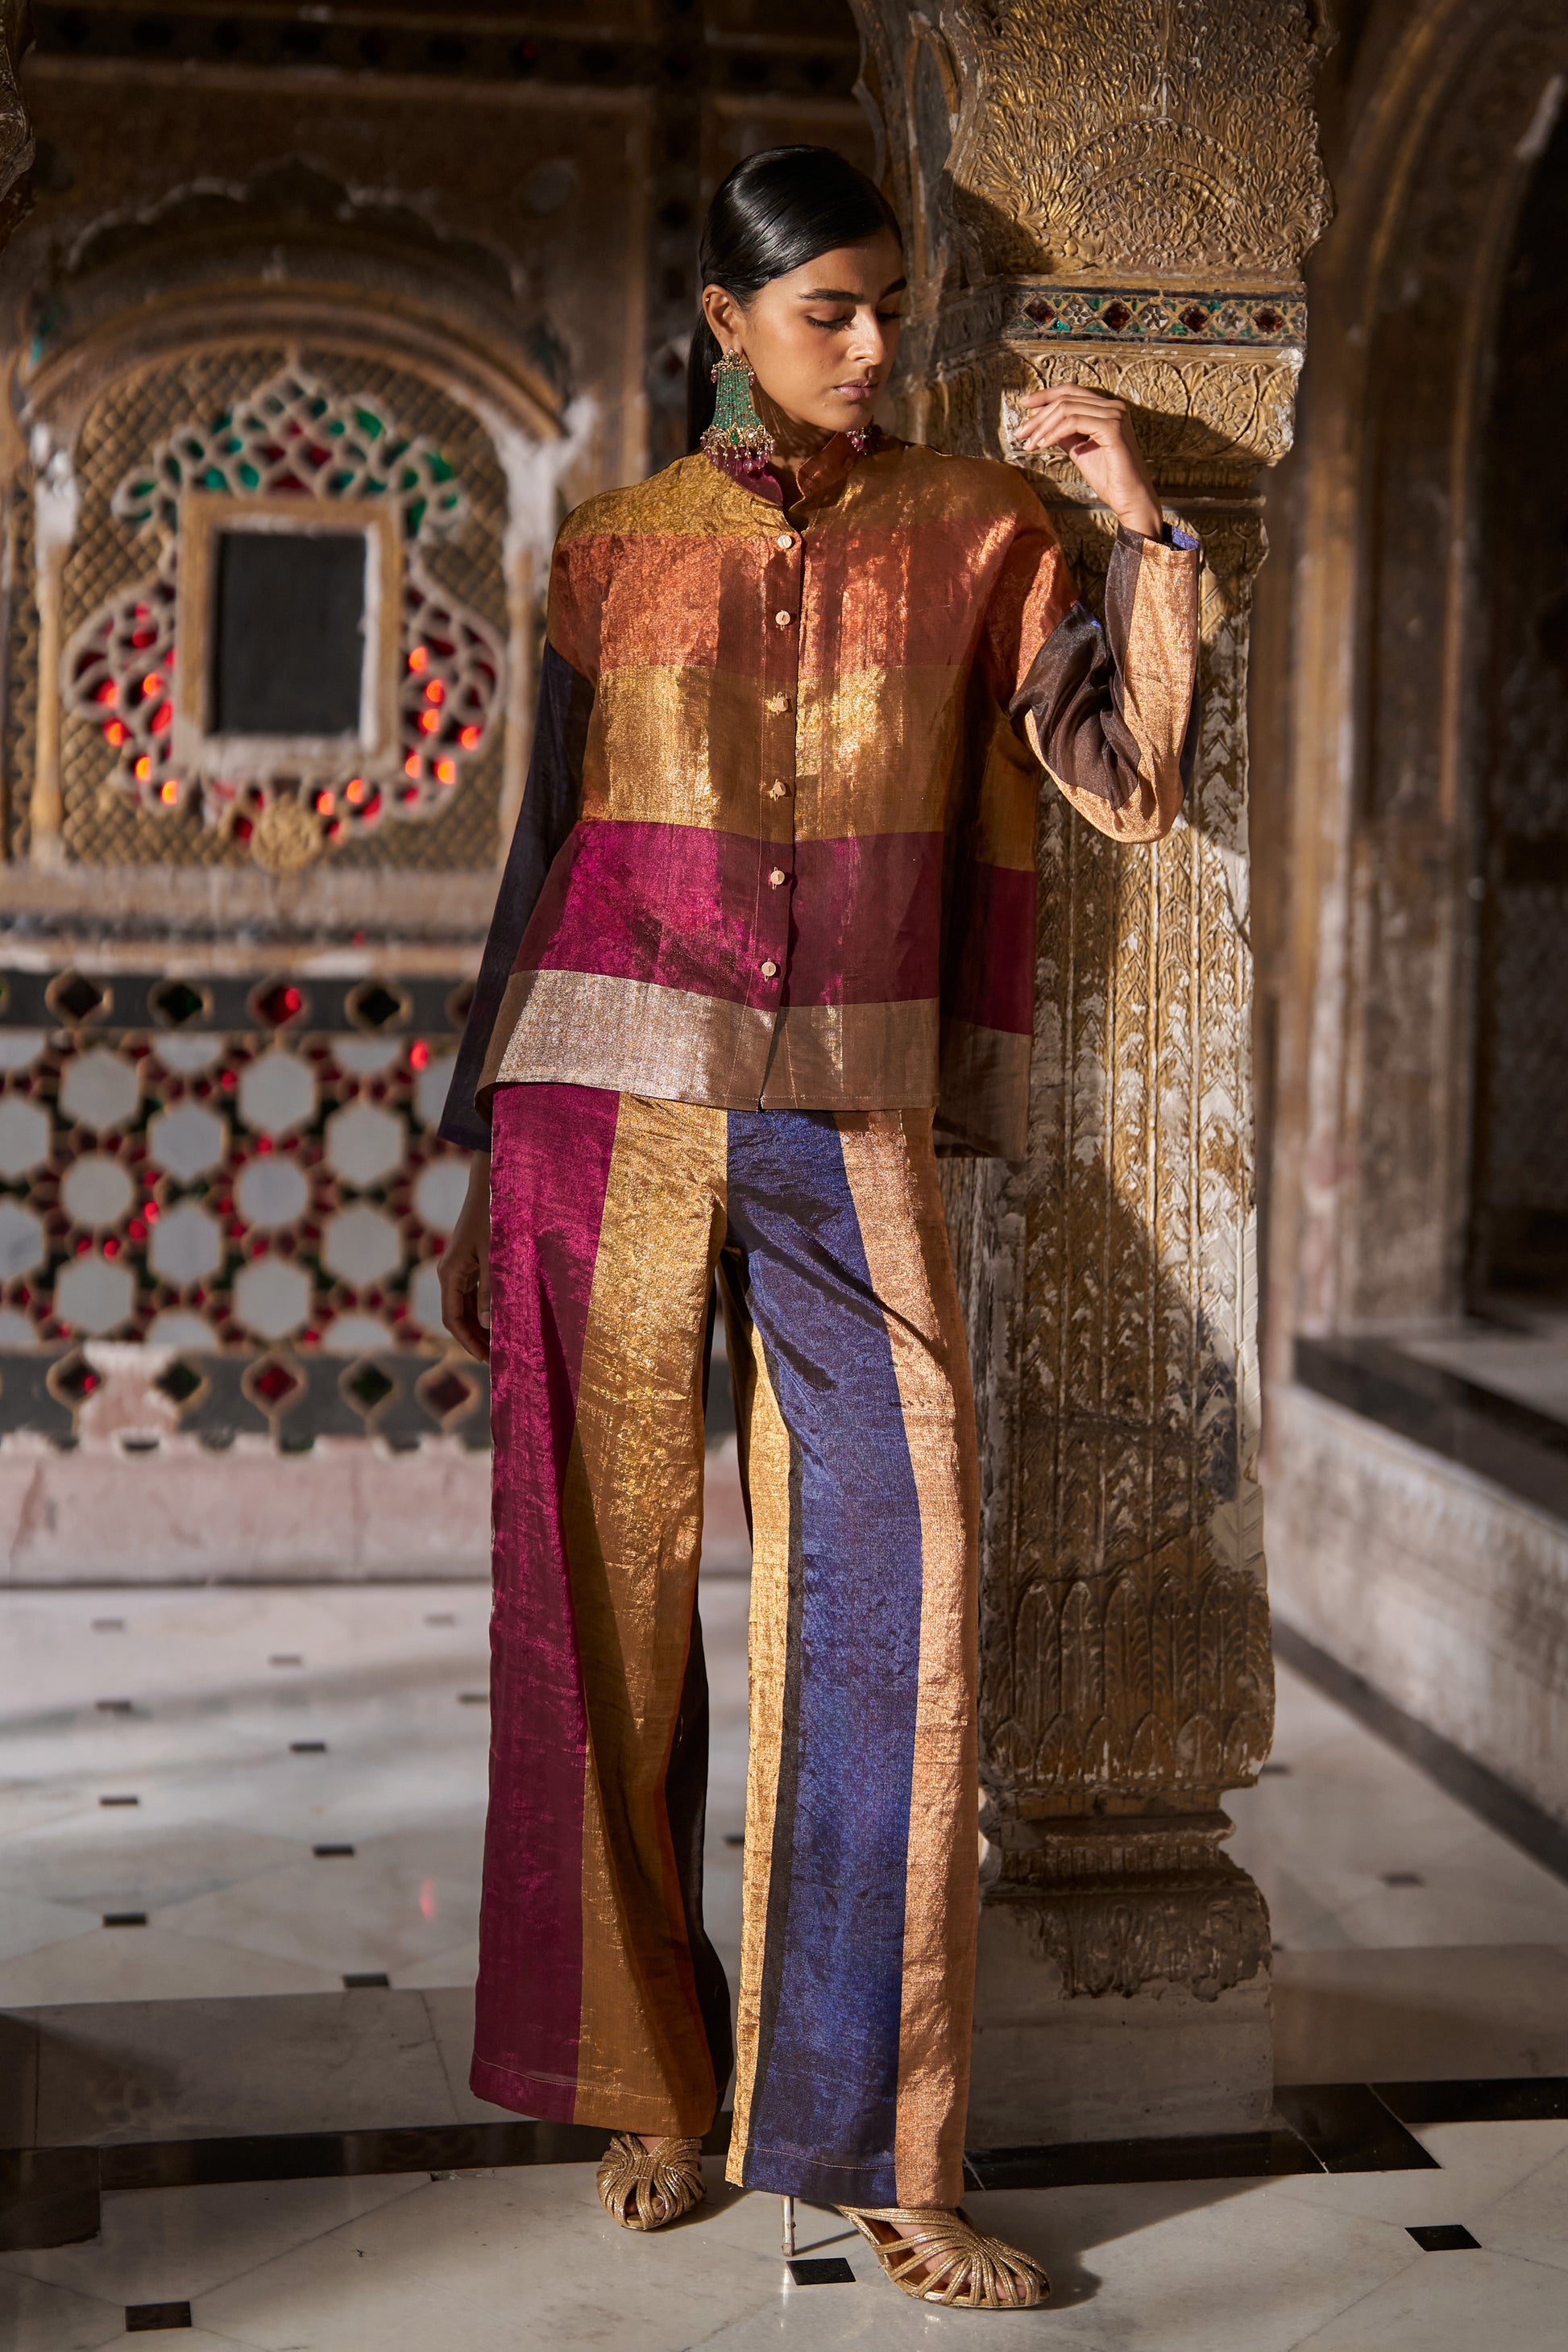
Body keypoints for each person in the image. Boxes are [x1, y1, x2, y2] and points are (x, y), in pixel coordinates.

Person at [438, 144, 1198, 2311]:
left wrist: (1133, 514)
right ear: (726, 322)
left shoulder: (981, 530)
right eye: (825, 312)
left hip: (844, 1106)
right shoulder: (610, 549)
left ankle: (875, 2139)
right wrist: (470, 1150)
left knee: (898, 1577)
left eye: (886, 309)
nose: (869, 347)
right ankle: (647, 2081)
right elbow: (541, 854)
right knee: (595, 1592)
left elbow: (1125, 782)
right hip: (595, 1097)